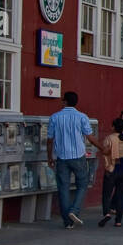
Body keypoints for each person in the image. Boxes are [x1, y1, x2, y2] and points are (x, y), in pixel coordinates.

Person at [47, 91, 101, 228]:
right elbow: (90, 137)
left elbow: (49, 140)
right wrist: (102, 148)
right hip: (78, 156)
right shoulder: (82, 117)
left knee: (63, 188)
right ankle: (74, 210)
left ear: (64, 101)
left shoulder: (55, 117)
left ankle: (67, 222)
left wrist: (50, 157)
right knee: (82, 184)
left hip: (61, 157)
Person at [97, 118, 123, 227]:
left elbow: (105, 151)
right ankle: (118, 220)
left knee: (107, 193)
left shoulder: (110, 138)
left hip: (112, 167)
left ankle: (107, 213)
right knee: (120, 195)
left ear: (113, 127)